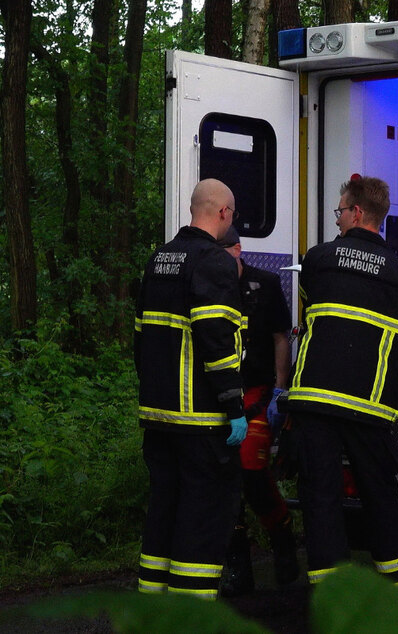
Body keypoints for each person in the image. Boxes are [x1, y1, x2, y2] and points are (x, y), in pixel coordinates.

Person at [286, 176, 398, 589]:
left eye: (340, 211)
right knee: (380, 497)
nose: (338, 219)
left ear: (357, 213)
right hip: (369, 408)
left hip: (314, 405)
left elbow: (312, 311)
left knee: (321, 499)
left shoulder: (317, 260)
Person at [134, 178, 247, 600]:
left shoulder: (158, 259)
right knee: (202, 520)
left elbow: (140, 340)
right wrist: (233, 404)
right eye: (231, 215)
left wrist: (153, 395)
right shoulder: (213, 262)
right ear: (222, 213)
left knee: (163, 512)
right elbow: (218, 342)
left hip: (158, 417)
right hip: (202, 423)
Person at [217, 226, 300, 596]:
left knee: (252, 471)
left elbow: (281, 337)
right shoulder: (209, 285)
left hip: (258, 393)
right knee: (224, 479)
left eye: (224, 253)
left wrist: (280, 391)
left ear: (238, 249)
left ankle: (283, 538)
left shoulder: (265, 284)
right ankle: (238, 565)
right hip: (219, 396)